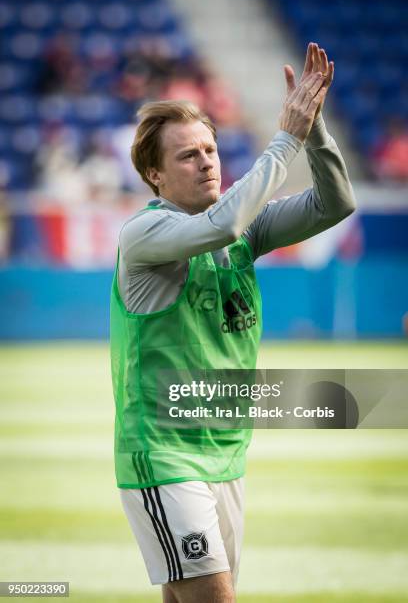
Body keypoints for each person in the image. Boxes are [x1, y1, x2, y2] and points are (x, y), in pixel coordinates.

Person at [110, 42, 356, 603]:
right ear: (154, 175)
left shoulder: (243, 229)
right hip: (165, 451)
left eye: (210, 149)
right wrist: (286, 137)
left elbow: (335, 202)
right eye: (187, 156)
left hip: (226, 450)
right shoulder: (144, 236)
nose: (207, 162)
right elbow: (221, 225)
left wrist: (313, 129)